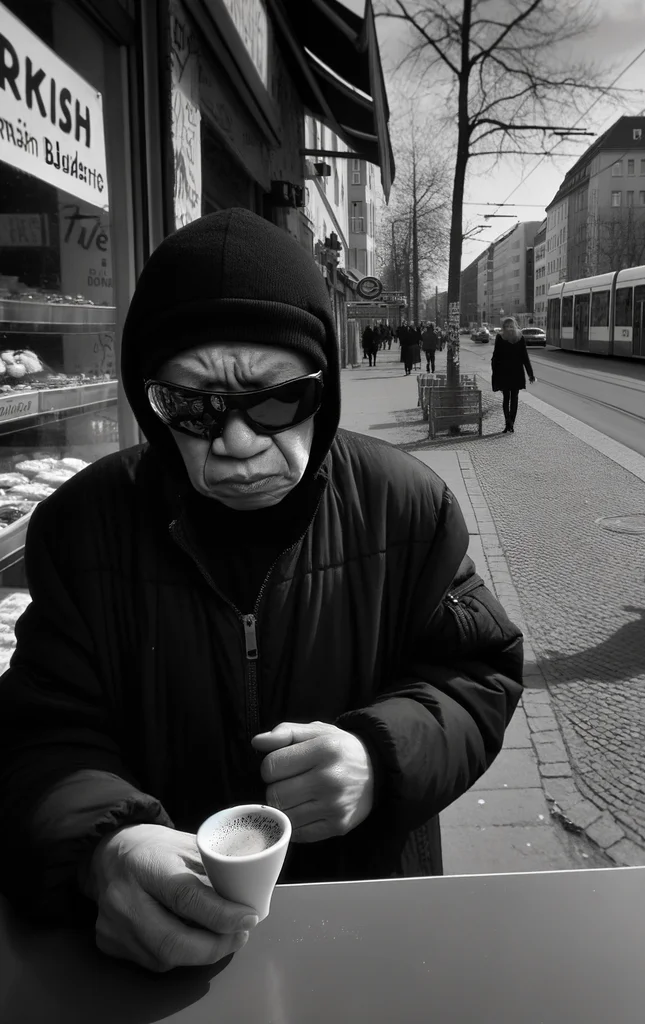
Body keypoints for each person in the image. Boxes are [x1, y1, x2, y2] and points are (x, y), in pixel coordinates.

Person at [0, 208, 524, 973]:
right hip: (154, 957)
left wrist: (380, 759)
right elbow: (38, 733)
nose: (238, 443)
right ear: (149, 403)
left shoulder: (407, 506)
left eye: (276, 402)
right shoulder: (82, 529)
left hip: (368, 924)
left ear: (324, 389)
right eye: (192, 407)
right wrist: (107, 846)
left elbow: (477, 674)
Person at [491, 316, 535, 434]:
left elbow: (496, 357)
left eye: (510, 326)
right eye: (508, 327)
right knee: (512, 398)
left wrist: (495, 372)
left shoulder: (501, 337)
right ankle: (510, 423)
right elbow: (524, 357)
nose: (509, 329)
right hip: (515, 372)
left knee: (508, 398)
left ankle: (508, 423)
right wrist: (530, 374)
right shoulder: (519, 337)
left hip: (506, 372)